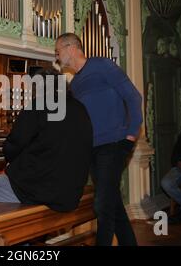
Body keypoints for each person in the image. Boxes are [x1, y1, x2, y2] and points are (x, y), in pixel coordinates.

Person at [0, 68, 93, 212]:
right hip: (70, 191)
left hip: (40, 191)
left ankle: (4, 233)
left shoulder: (39, 105)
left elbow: (13, 147)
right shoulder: (80, 108)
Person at [55, 33, 143, 246]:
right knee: (113, 205)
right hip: (92, 150)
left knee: (102, 205)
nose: (57, 57)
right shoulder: (74, 85)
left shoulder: (102, 65)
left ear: (70, 48)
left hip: (114, 145)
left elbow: (134, 97)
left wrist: (130, 136)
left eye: (57, 52)